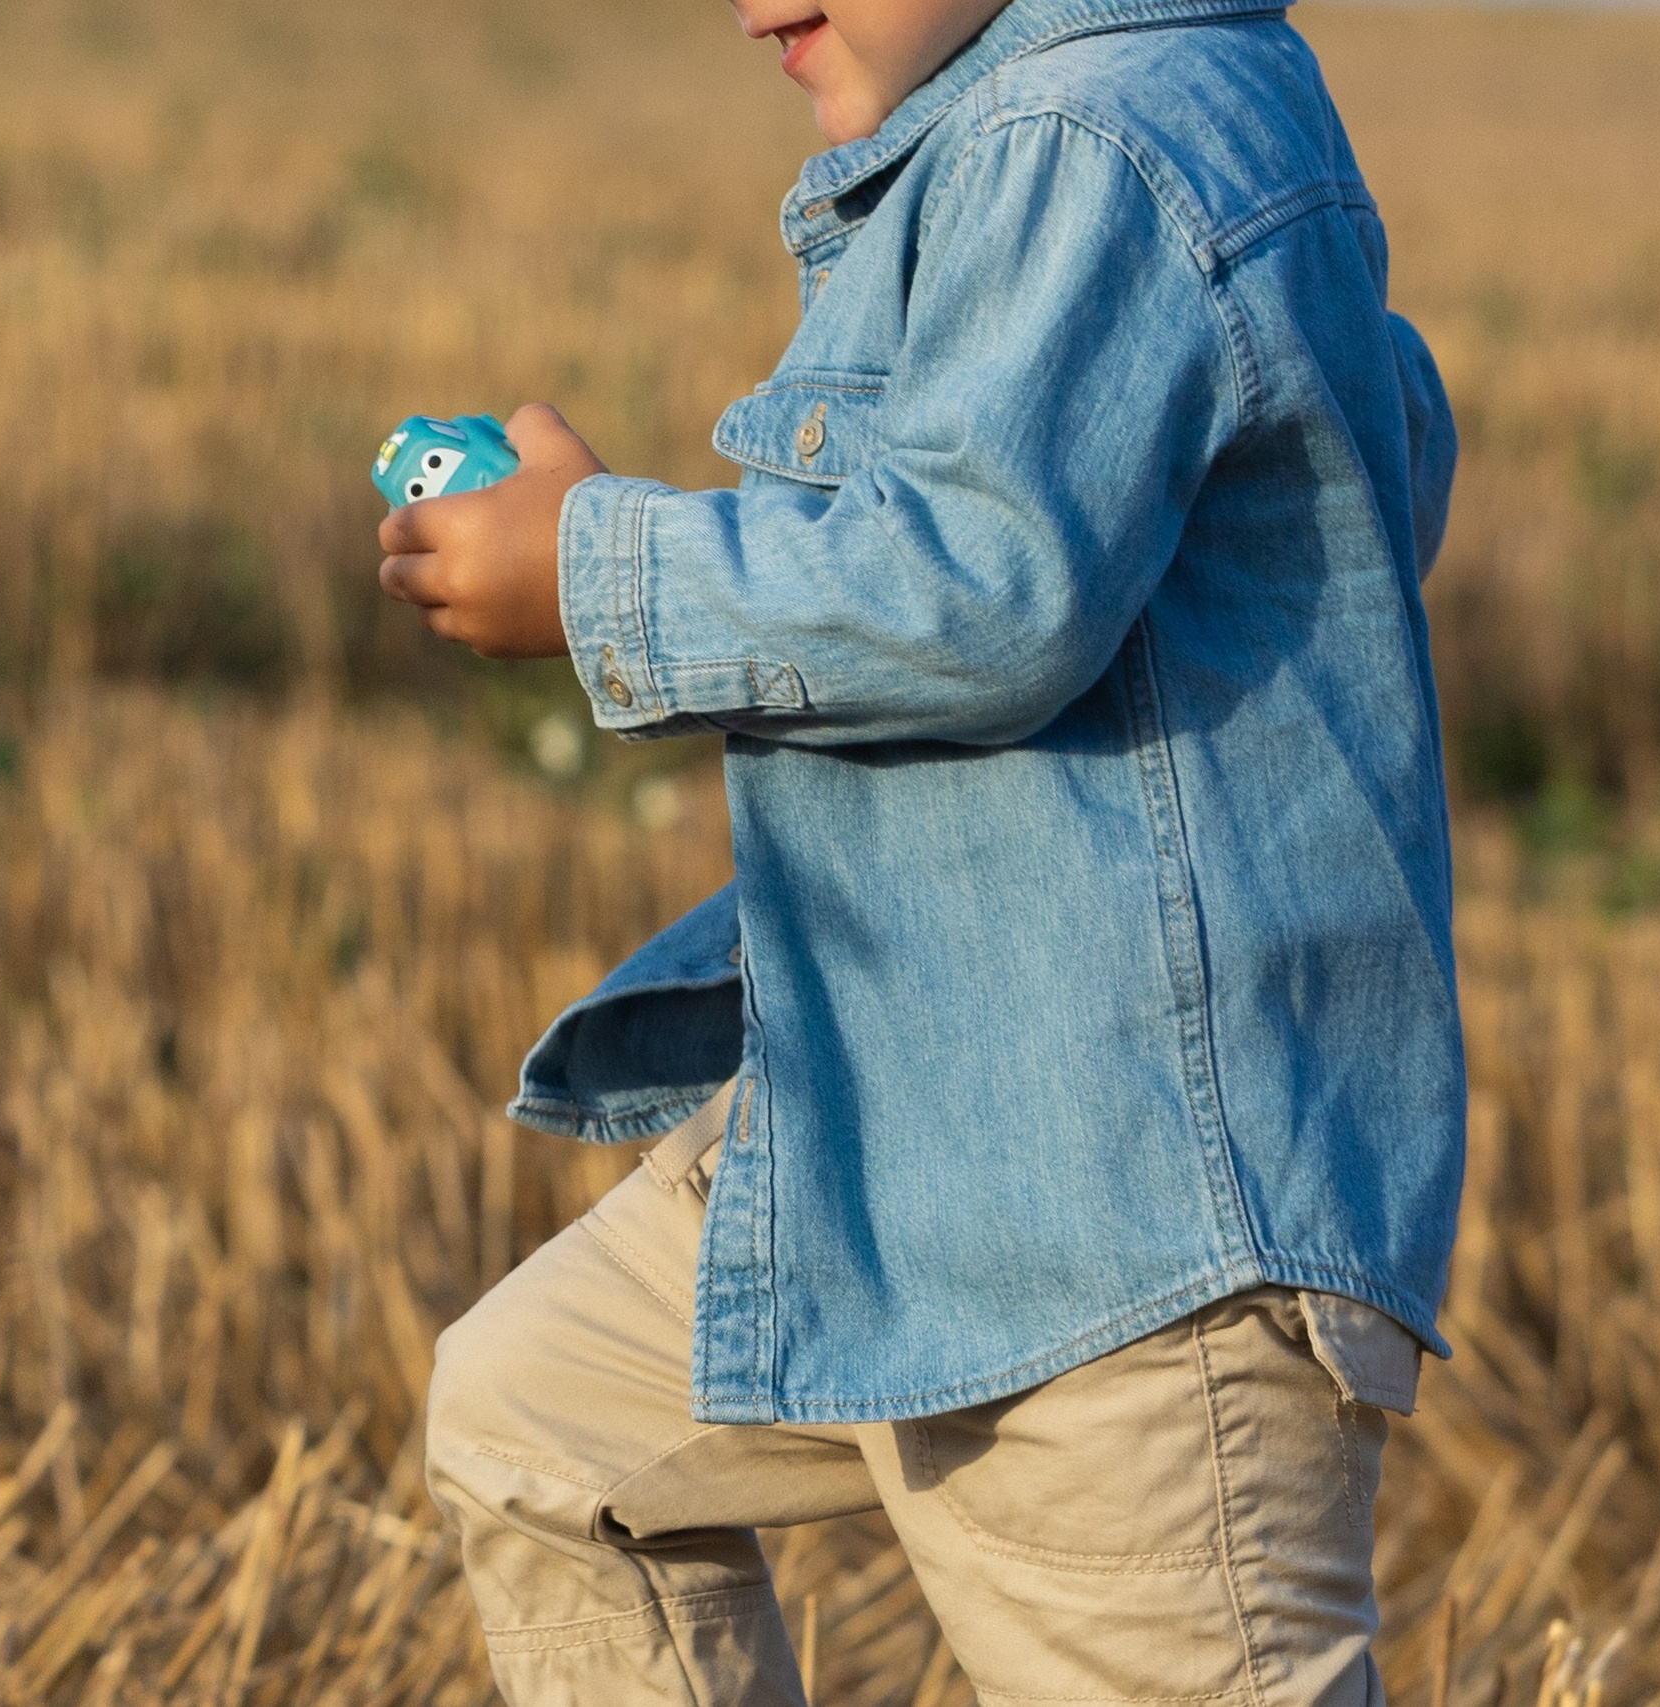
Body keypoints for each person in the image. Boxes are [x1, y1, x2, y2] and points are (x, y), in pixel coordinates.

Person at [374, 0, 1461, 1699]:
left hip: (1120, 1239)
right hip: (932, 1145)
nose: (758, 6)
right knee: (539, 1420)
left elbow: (981, 593)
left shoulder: (1091, 138)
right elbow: (1383, 456)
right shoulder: (1167, 111)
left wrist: (598, 567)